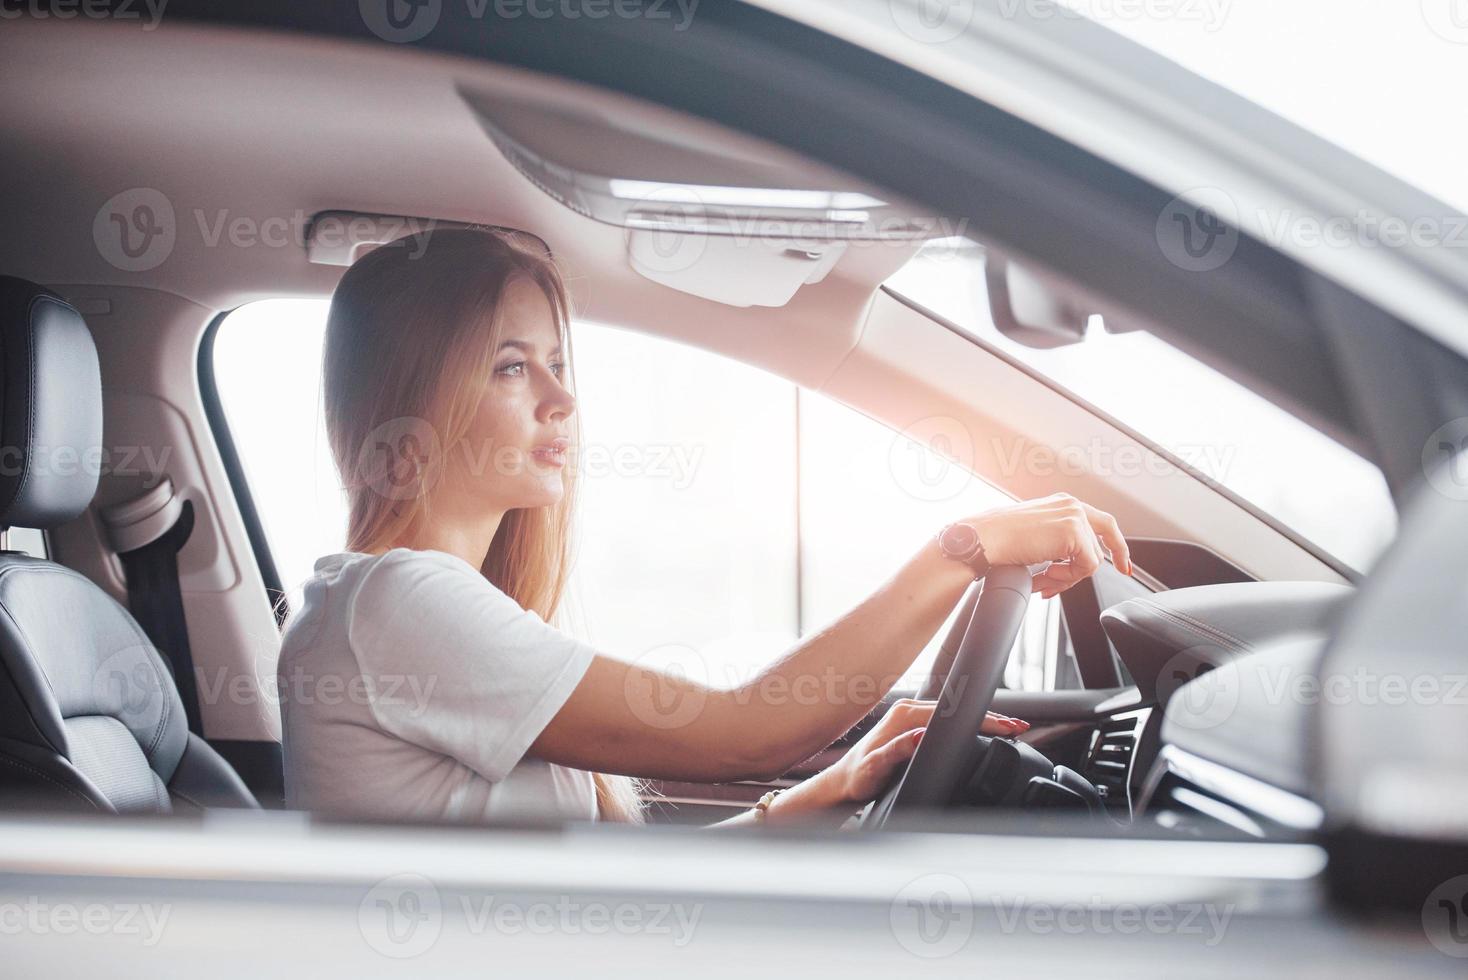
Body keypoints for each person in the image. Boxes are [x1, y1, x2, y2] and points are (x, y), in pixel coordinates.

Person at [277, 228, 1131, 827]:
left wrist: (835, 784)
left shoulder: (433, 610)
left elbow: (614, 912)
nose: (562, 399)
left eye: (557, 362)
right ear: (405, 418)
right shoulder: (394, 603)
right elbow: (746, 729)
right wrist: (966, 548)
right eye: (510, 366)